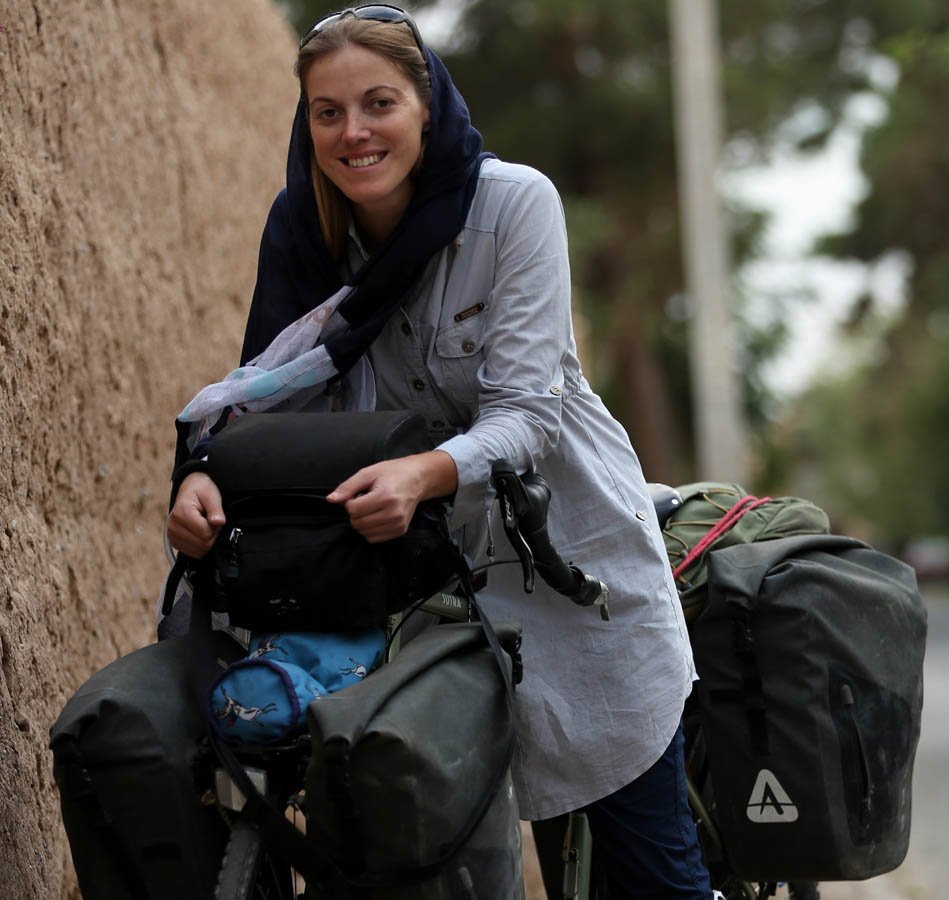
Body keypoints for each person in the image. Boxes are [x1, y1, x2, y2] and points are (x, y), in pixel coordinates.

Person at [166, 6, 711, 898]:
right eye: (327, 112)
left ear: (428, 106)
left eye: (379, 102)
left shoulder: (514, 204)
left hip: (572, 570)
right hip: (416, 593)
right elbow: (262, 398)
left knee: (652, 878)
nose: (354, 132)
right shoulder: (305, 233)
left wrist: (425, 471)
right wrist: (203, 474)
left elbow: (527, 414)